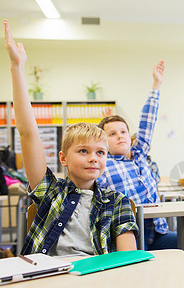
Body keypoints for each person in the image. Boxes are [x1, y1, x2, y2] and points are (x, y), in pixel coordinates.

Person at [3, 19, 138, 256]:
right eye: (83, 151)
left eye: (100, 152)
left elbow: (127, 257)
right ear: (63, 158)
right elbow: (27, 133)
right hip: (47, 275)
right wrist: (17, 67)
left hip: (96, 276)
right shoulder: (51, 191)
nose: (93, 158)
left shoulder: (118, 202)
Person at [97, 61, 184, 250]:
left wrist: (156, 85)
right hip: (125, 237)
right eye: (112, 134)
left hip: (155, 232)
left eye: (123, 132)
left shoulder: (139, 154)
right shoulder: (103, 165)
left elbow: (147, 122)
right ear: (103, 141)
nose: (120, 136)